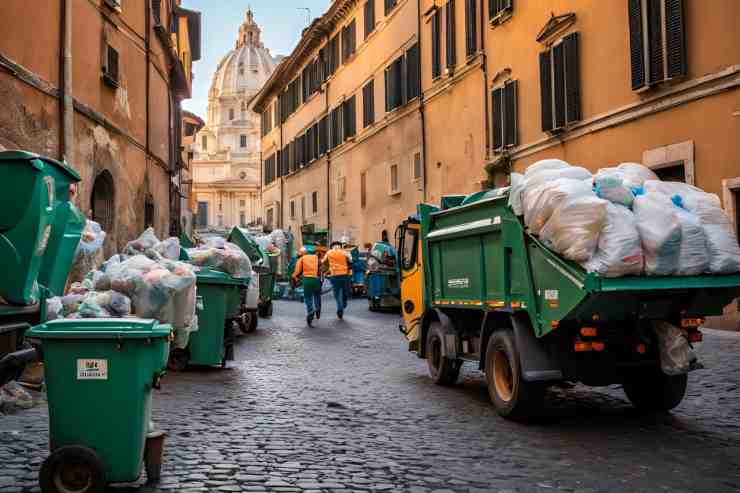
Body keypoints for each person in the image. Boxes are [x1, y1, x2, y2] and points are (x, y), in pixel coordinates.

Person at [292, 245, 322, 326]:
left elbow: (297, 272)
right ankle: (318, 309)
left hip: (307, 280)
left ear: (305, 252)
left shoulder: (302, 259)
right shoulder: (317, 258)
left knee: (308, 297)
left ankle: (310, 311)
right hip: (316, 279)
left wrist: (294, 277)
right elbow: (322, 269)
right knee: (317, 295)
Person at [322, 241, 352, 319]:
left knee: (337, 293)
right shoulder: (345, 252)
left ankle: (340, 308)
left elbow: (323, 261)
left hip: (334, 275)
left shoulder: (329, 252)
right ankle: (344, 303)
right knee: (345, 291)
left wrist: (327, 269)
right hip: (345, 275)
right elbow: (351, 261)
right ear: (340, 246)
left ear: (332, 246)